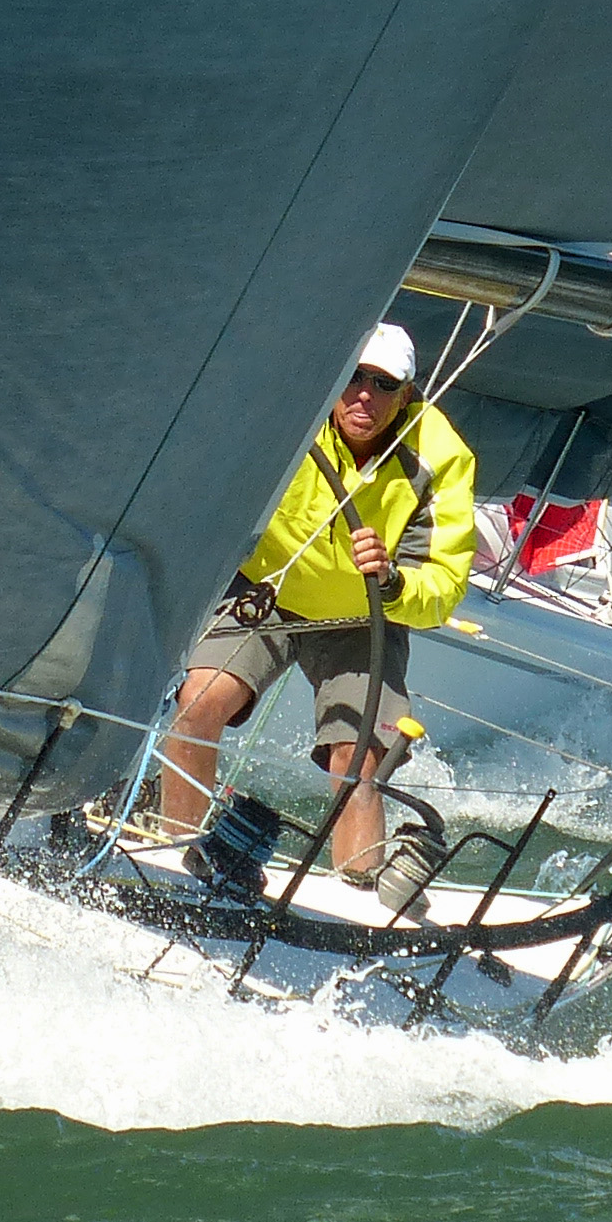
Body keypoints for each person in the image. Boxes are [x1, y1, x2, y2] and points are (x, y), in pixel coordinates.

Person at [152, 323, 477, 899]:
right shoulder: (291, 415)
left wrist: (393, 580)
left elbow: (446, 586)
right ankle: (170, 861)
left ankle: (358, 898)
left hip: (364, 617)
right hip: (268, 591)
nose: (363, 395)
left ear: (406, 394)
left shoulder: (442, 456)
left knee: (357, 760)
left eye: (383, 384)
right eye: (354, 376)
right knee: (198, 702)